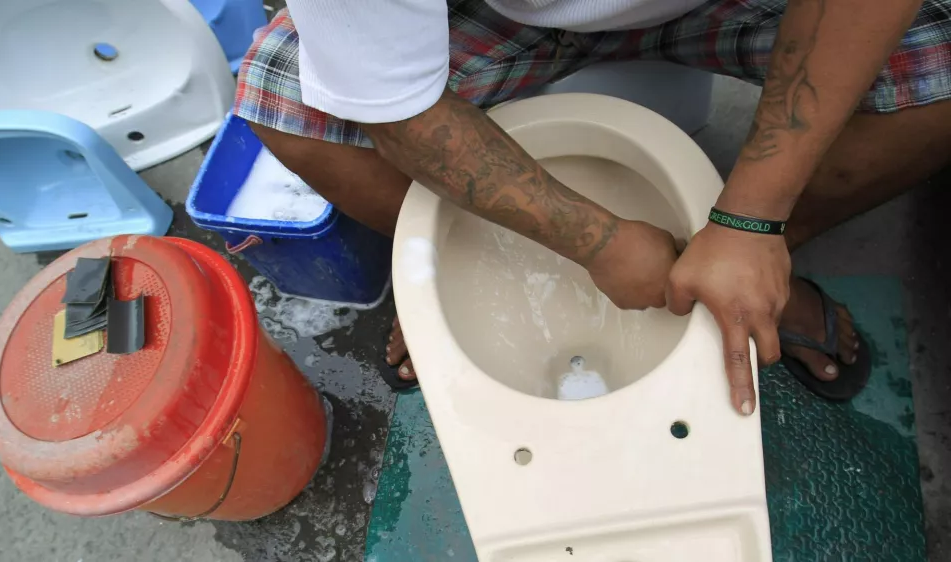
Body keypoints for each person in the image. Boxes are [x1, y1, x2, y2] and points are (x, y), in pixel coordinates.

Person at [234, 0, 951, 414]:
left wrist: (752, 221)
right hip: (505, 8)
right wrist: (596, 241)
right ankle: (473, 268)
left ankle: (758, 267)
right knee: (284, 90)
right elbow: (383, 100)